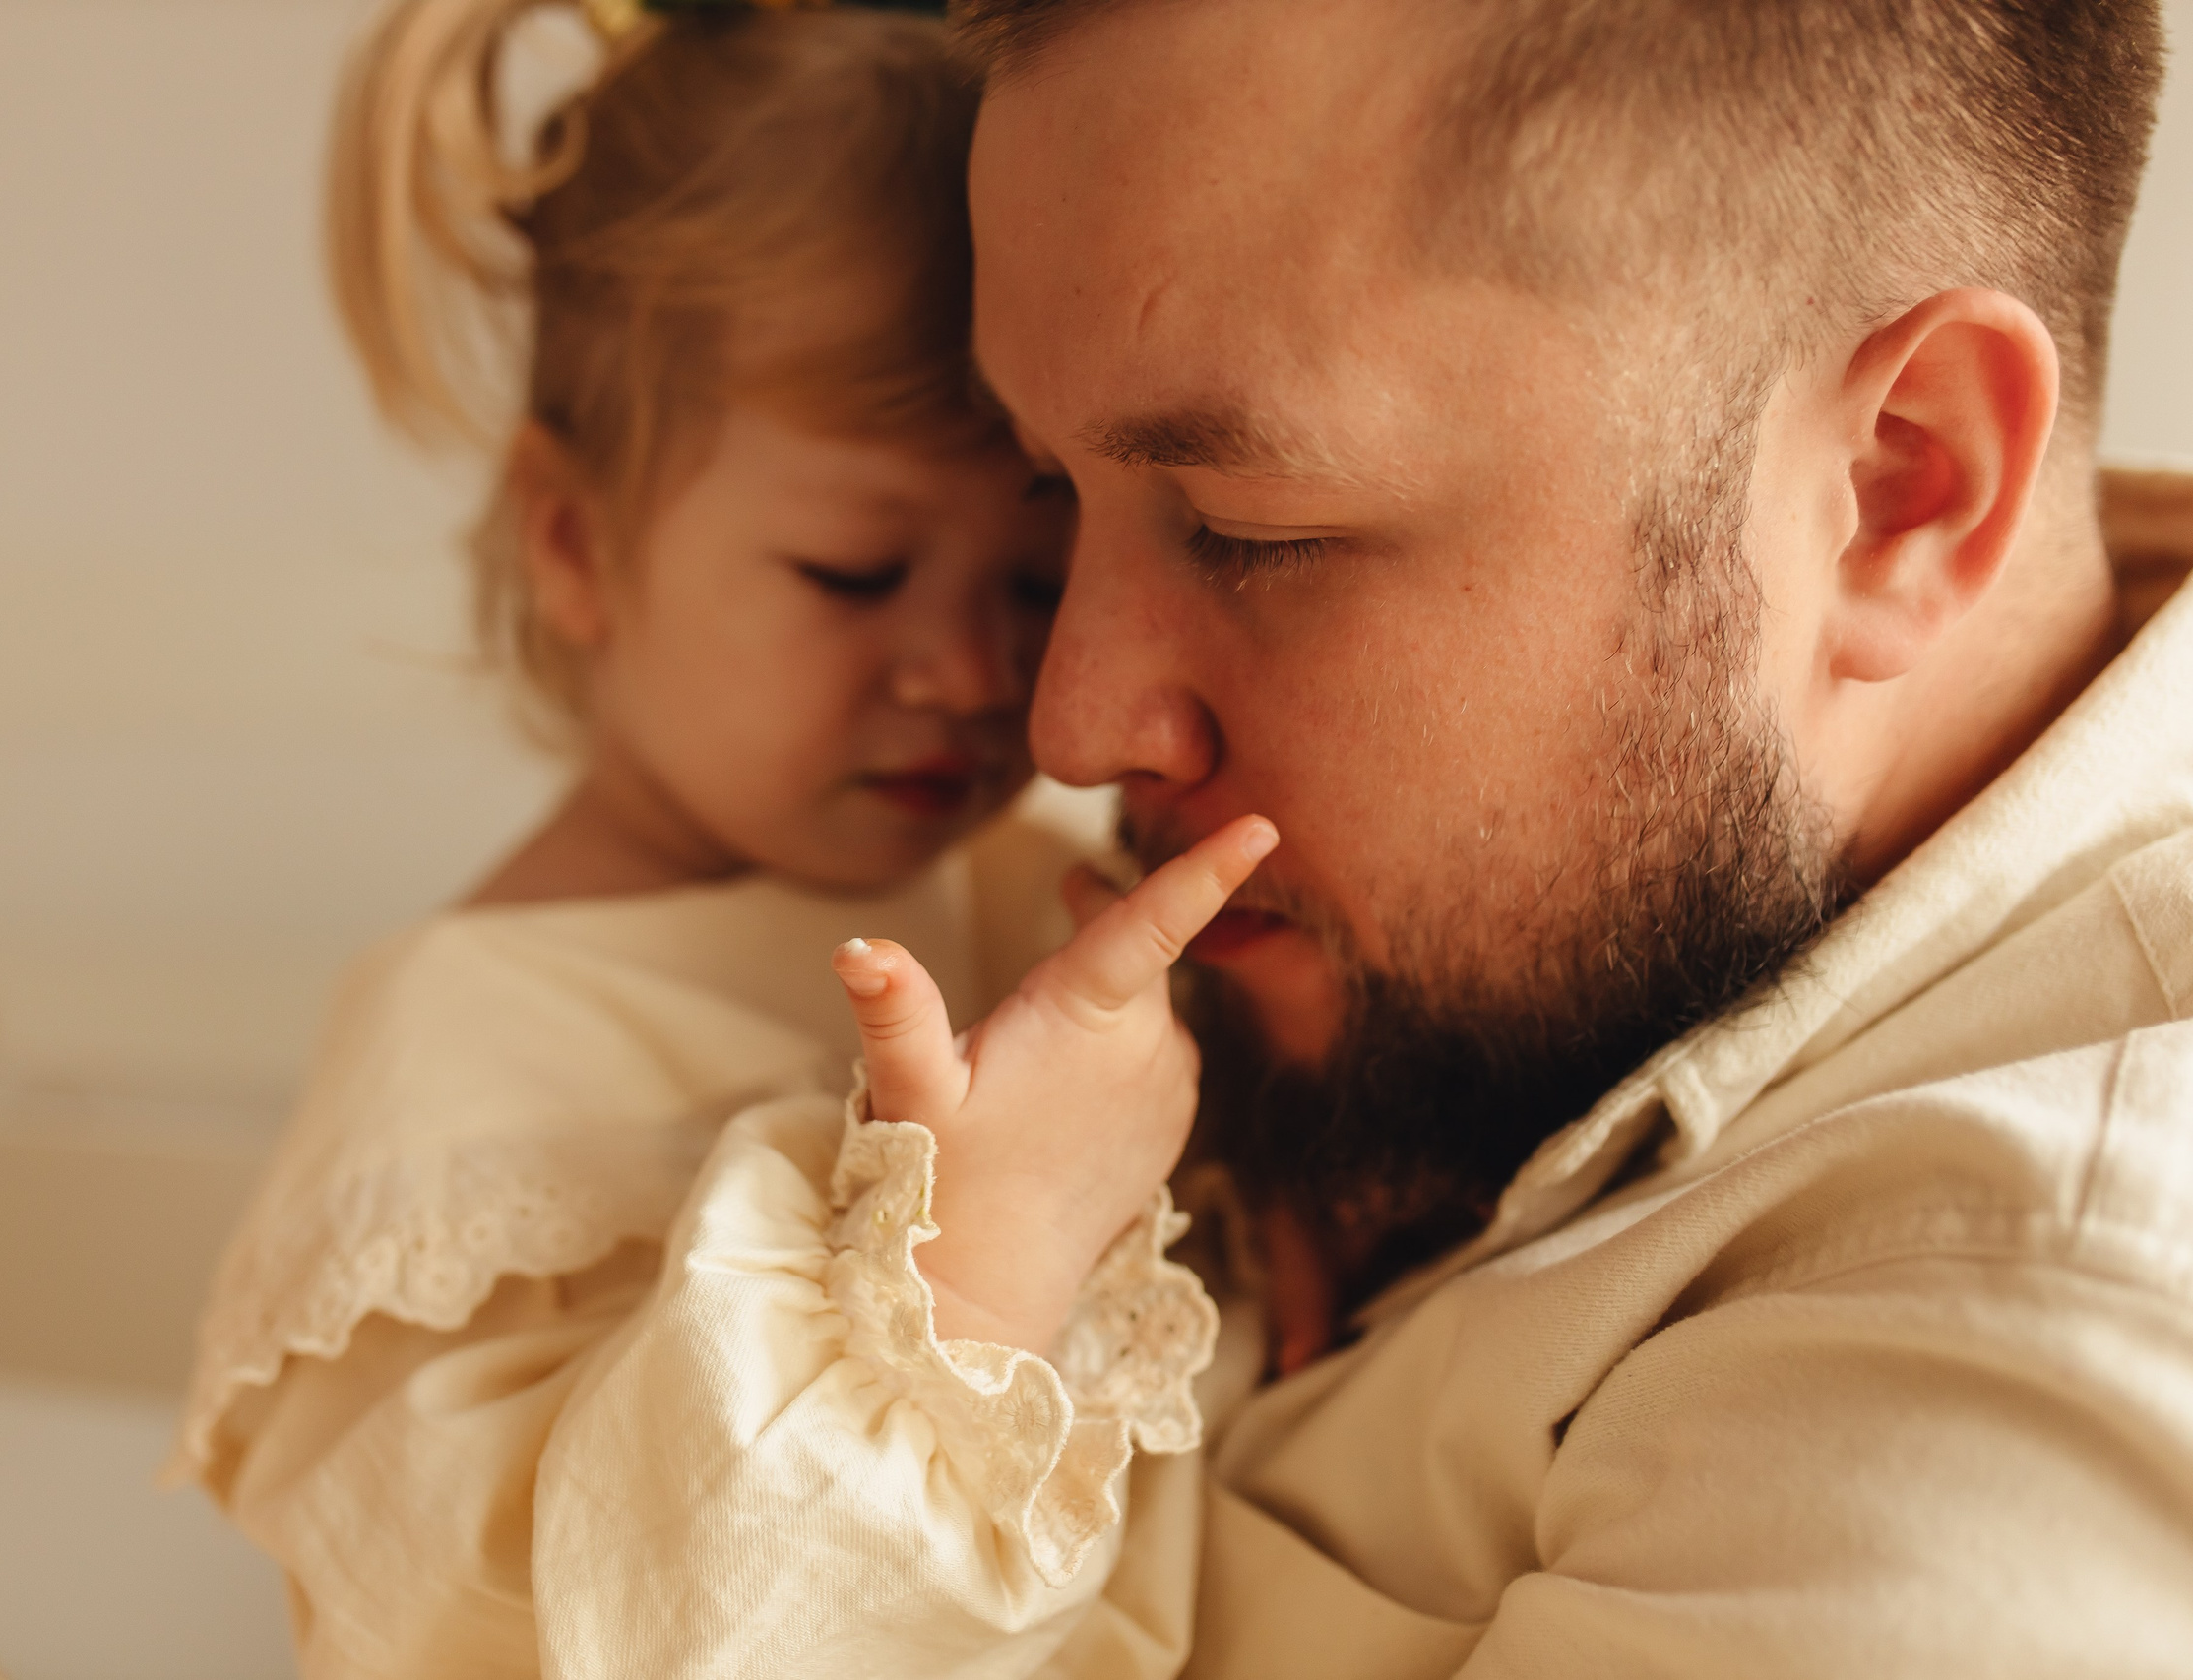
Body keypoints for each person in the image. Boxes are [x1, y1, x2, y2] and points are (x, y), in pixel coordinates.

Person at [452, 0, 2193, 1674]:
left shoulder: (2014, 1377)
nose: (1061, 728)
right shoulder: (1507, 970)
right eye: (1058, 504)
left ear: (1902, 488)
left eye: (1246, 529)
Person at [164, 1, 1168, 1670]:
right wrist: (969, 1283)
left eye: (1035, 578)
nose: (973, 669)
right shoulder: (465, 1062)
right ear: (573, 541)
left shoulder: (1026, 901)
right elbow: (537, 1621)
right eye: (854, 572)